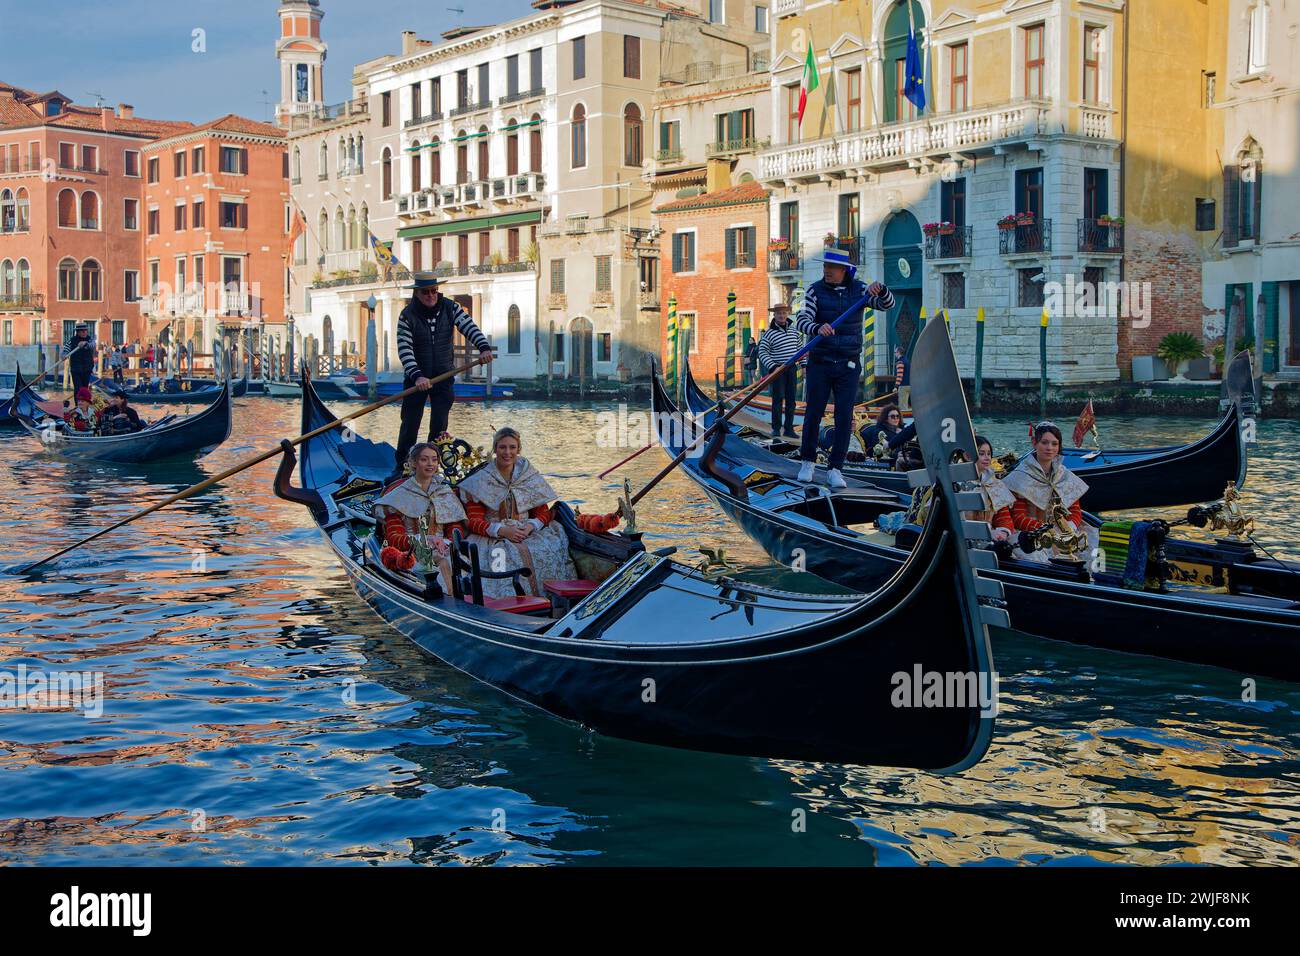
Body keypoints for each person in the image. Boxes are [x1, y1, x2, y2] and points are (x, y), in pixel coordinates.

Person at [459, 427, 620, 599]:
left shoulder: (527, 475)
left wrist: (530, 526)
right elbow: (472, 521)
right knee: (504, 557)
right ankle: (508, 603)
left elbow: (544, 513)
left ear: (518, 449)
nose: (507, 452)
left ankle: (550, 601)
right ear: (495, 448)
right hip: (493, 536)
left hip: (529, 532)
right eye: (502, 447)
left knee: (546, 549)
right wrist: (502, 530)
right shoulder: (480, 481)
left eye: (512, 447)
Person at [794, 246, 895, 489]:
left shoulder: (860, 290)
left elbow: (887, 305)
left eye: (831, 267)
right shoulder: (814, 291)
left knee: (844, 417)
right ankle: (807, 461)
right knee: (813, 414)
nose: (826, 271)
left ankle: (835, 468)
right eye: (825, 266)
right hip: (820, 361)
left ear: (844, 270)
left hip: (849, 364)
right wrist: (817, 328)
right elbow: (802, 320)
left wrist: (881, 290)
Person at [394, 272, 493, 470]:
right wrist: (417, 375)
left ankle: (432, 466)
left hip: (443, 376)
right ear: (417, 293)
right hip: (417, 379)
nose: (431, 295)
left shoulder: (450, 307)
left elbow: (468, 326)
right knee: (410, 424)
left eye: (434, 290)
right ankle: (402, 466)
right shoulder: (407, 315)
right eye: (426, 292)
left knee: (439, 427)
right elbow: (404, 349)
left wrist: (483, 347)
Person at [376, 442, 468, 589]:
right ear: (413, 463)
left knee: (463, 565)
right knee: (442, 564)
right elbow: (393, 537)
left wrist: (446, 543)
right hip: (410, 553)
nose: (430, 464)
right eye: (424, 459)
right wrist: (426, 540)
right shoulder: (397, 497)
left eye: (434, 459)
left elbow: (454, 527)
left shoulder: (444, 492)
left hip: (444, 549)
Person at [1003, 421, 1090, 562]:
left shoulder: (1064, 475)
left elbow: (1075, 510)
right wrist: (1046, 531)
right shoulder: (1019, 477)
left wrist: (1069, 529)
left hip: (1066, 531)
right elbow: (1018, 517)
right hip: (1032, 534)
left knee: (1093, 547)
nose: (1049, 448)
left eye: (1054, 444)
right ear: (1034, 443)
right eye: (1044, 442)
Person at [756, 304, 801, 441]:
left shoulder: (794, 332)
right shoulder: (769, 333)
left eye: (784, 313)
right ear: (774, 316)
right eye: (779, 313)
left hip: (791, 369)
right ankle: (776, 428)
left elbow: (800, 350)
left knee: (791, 400)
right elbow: (762, 352)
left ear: (787, 314)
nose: (782, 316)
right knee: (778, 399)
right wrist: (772, 366)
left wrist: (804, 366)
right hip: (777, 370)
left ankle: (788, 429)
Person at [967, 435, 1015, 542]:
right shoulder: (957, 483)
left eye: (989, 454)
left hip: (992, 538)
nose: (987, 457)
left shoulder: (994, 484)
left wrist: (1003, 532)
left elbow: (1004, 518)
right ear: (967, 456)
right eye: (981, 454)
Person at [62, 322, 95, 394]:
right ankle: (78, 404)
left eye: (85, 330)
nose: (84, 332)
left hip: (87, 368)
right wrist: (64, 355)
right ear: (78, 332)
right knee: (78, 388)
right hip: (76, 369)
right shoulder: (72, 340)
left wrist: (85, 343)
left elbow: (92, 345)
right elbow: (66, 350)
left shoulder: (90, 339)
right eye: (82, 331)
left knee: (84, 388)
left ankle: (84, 404)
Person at [894, 345, 911, 411]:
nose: (895, 354)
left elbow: (899, 376)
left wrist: (896, 387)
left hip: (903, 386)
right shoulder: (907, 361)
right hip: (910, 385)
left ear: (898, 352)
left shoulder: (900, 362)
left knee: (902, 406)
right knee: (906, 404)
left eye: (895, 352)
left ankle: (904, 419)